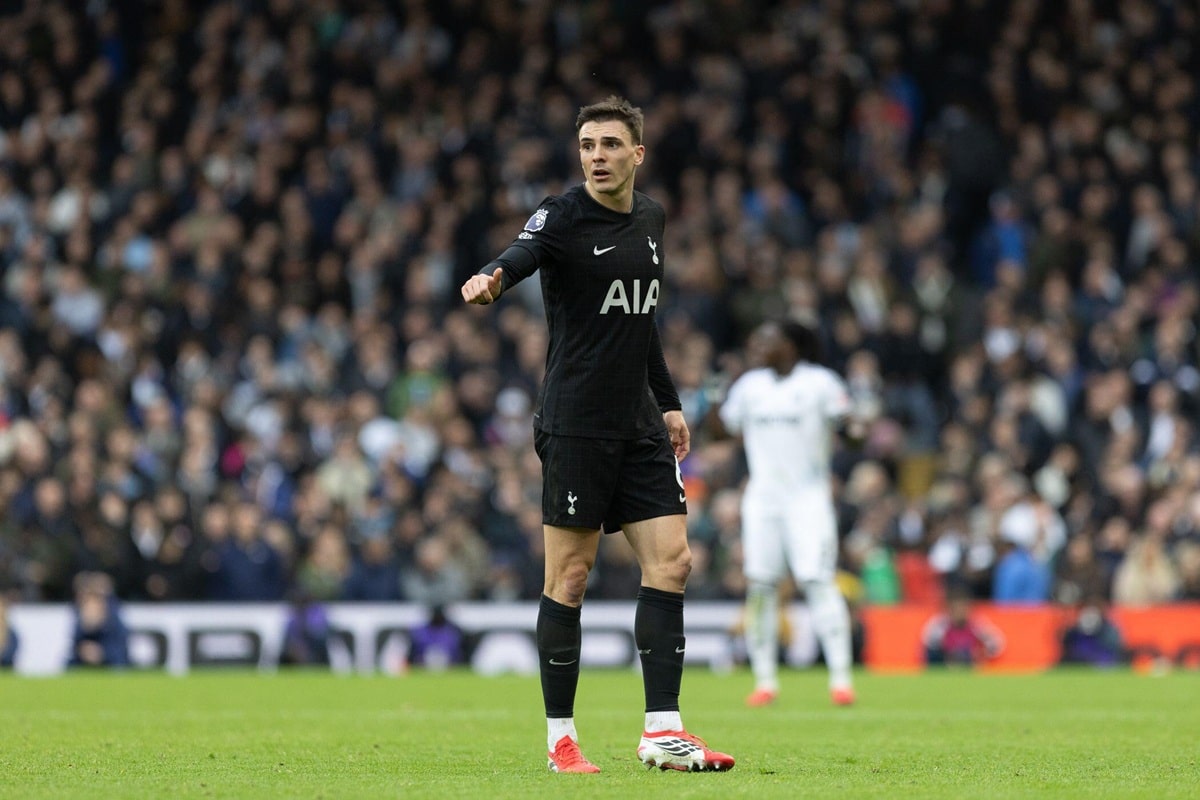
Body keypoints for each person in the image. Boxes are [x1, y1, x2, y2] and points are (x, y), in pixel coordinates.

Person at [460, 96, 733, 774]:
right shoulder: (561, 214)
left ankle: (662, 731)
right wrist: (492, 279)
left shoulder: (650, 218)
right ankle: (560, 739)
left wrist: (668, 403)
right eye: (587, 146)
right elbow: (519, 254)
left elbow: (639, 323)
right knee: (571, 577)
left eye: (610, 145)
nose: (597, 157)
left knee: (673, 562)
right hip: (577, 423)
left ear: (637, 153)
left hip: (638, 421)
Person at [715, 319, 863, 708]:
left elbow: (851, 430)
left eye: (769, 337)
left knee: (818, 580)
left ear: (791, 345)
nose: (759, 343)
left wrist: (854, 429)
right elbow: (721, 431)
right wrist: (714, 394)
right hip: (763, 499)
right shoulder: (749, 386)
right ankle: (765, 680)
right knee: (761, 587)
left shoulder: (820, 383)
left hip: (807, 498)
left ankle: (841, 680)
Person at [922, 587, 1005, 666]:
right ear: (948, 608)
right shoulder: (939, 624)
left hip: (969, 663)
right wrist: (947, 655)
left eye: (963, 607)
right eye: (956, 608)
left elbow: (996, 645)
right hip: (946, 664)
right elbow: (929, 646)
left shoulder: (977, 624)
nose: (960, 612)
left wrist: (981, 653)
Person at [66, 572, 130, 668]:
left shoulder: (114, 621)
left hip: (110, 664)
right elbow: (75, 647)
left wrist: (101, 654)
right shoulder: (80, 619)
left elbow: (120, 650)